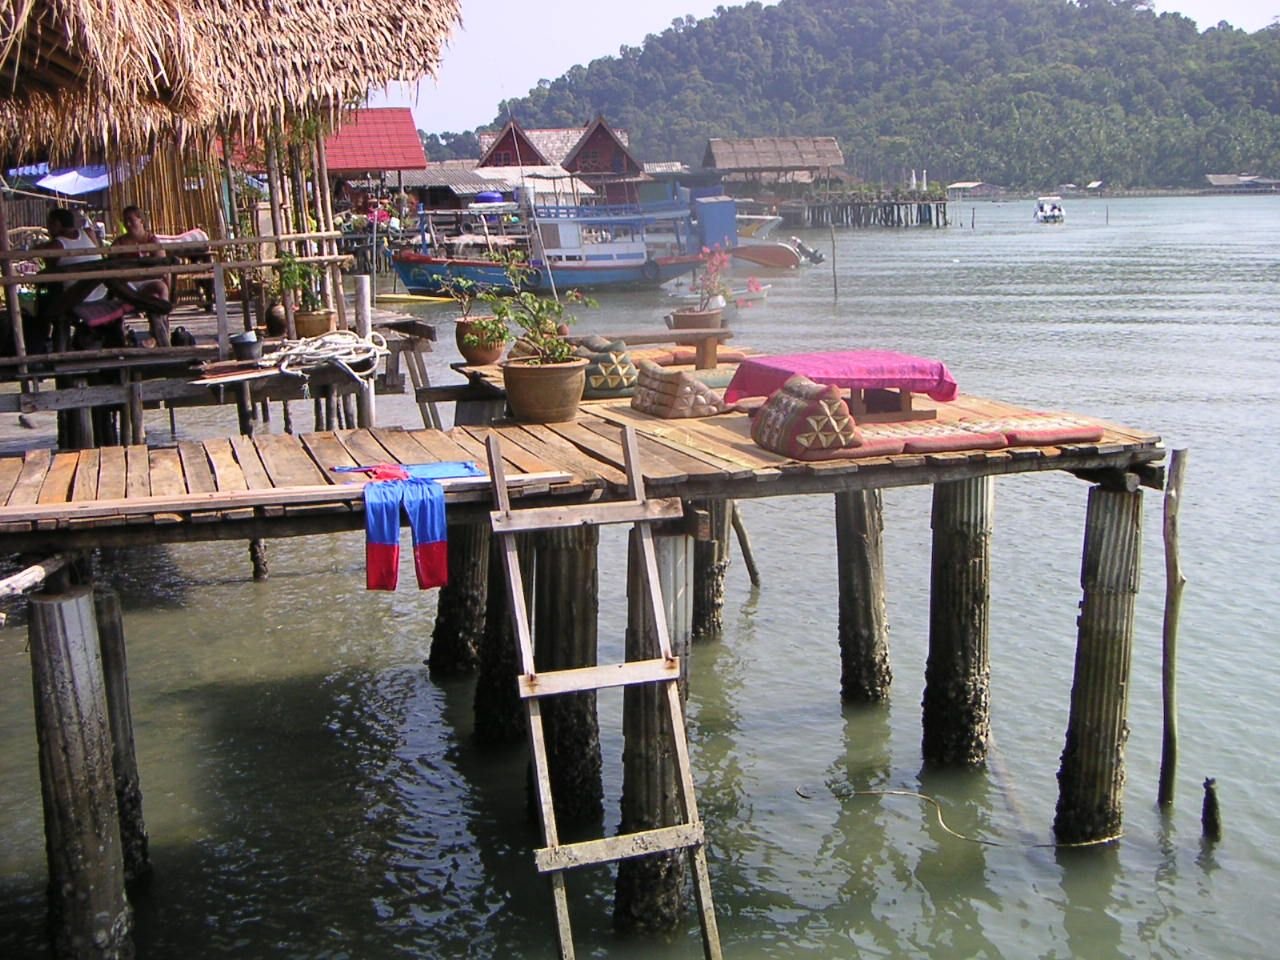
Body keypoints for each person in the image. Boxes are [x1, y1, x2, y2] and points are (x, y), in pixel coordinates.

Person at [111, 205, 172, 345]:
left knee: (161, 287)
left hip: (147, 282)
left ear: (141, 220)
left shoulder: (151, 240)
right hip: (127, 284)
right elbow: (110, 262)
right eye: (125, 220)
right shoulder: (120, 242)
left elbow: (162, 265)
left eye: (131, 220)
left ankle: (163, 320)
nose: (128, 224)